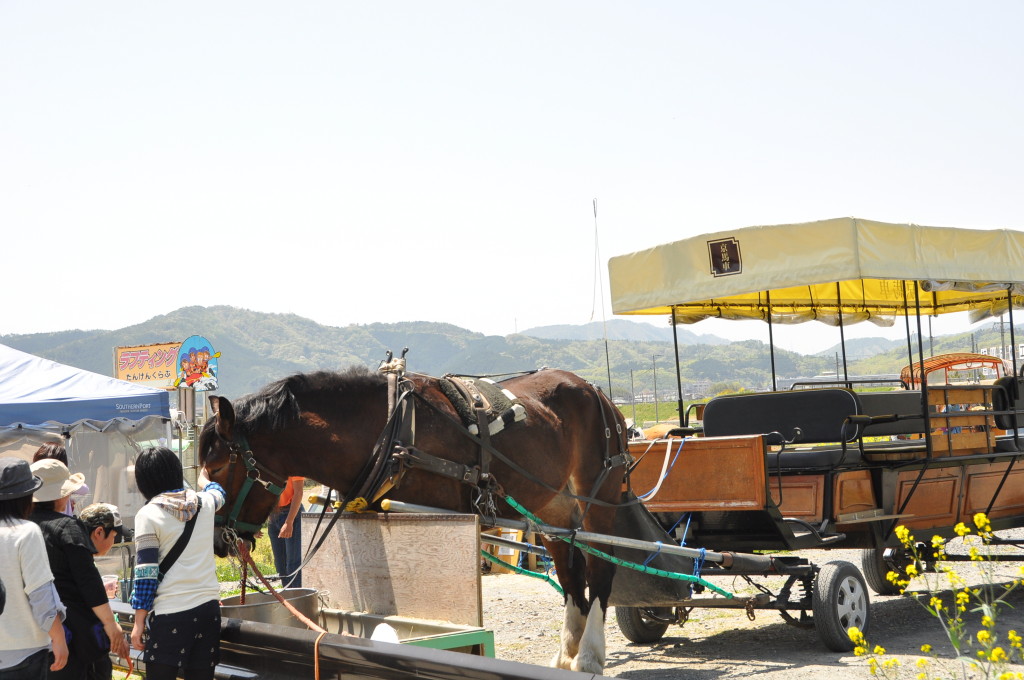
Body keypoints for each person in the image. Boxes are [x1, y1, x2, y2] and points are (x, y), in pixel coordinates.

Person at [129, 447, 225, 680]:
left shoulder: (148, 514)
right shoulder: (205, 503)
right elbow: (219, 492)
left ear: (144, 480)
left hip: (172, 614)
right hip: (208, 611)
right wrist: (204, 480)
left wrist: (138, 622)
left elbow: (146, 574)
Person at [29, 459, 128, 680]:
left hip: (31, 634)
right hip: (73, 633)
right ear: (60, 495)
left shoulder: (20, 527)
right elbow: (88, 582)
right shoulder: (67, 528)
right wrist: (111, 625)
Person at [0, 457, 68, 679]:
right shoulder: (26, 532)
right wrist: (59, 639)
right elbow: (41, 595)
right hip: (25, 651)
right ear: (26, 498)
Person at [32, 443, 89, 517]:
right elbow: (84, 489)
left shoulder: (31, 481)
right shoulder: (64, 482)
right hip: (62, 521)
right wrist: (68, 478)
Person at [268, 476, 304, 588]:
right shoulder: (267, 462)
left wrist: (289, 522)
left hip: (292, 514)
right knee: (280, 564)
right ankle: (287, 596)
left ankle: (296, 596)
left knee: (293, 563)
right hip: (273, 514)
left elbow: (298, 493)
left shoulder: (293, 464)